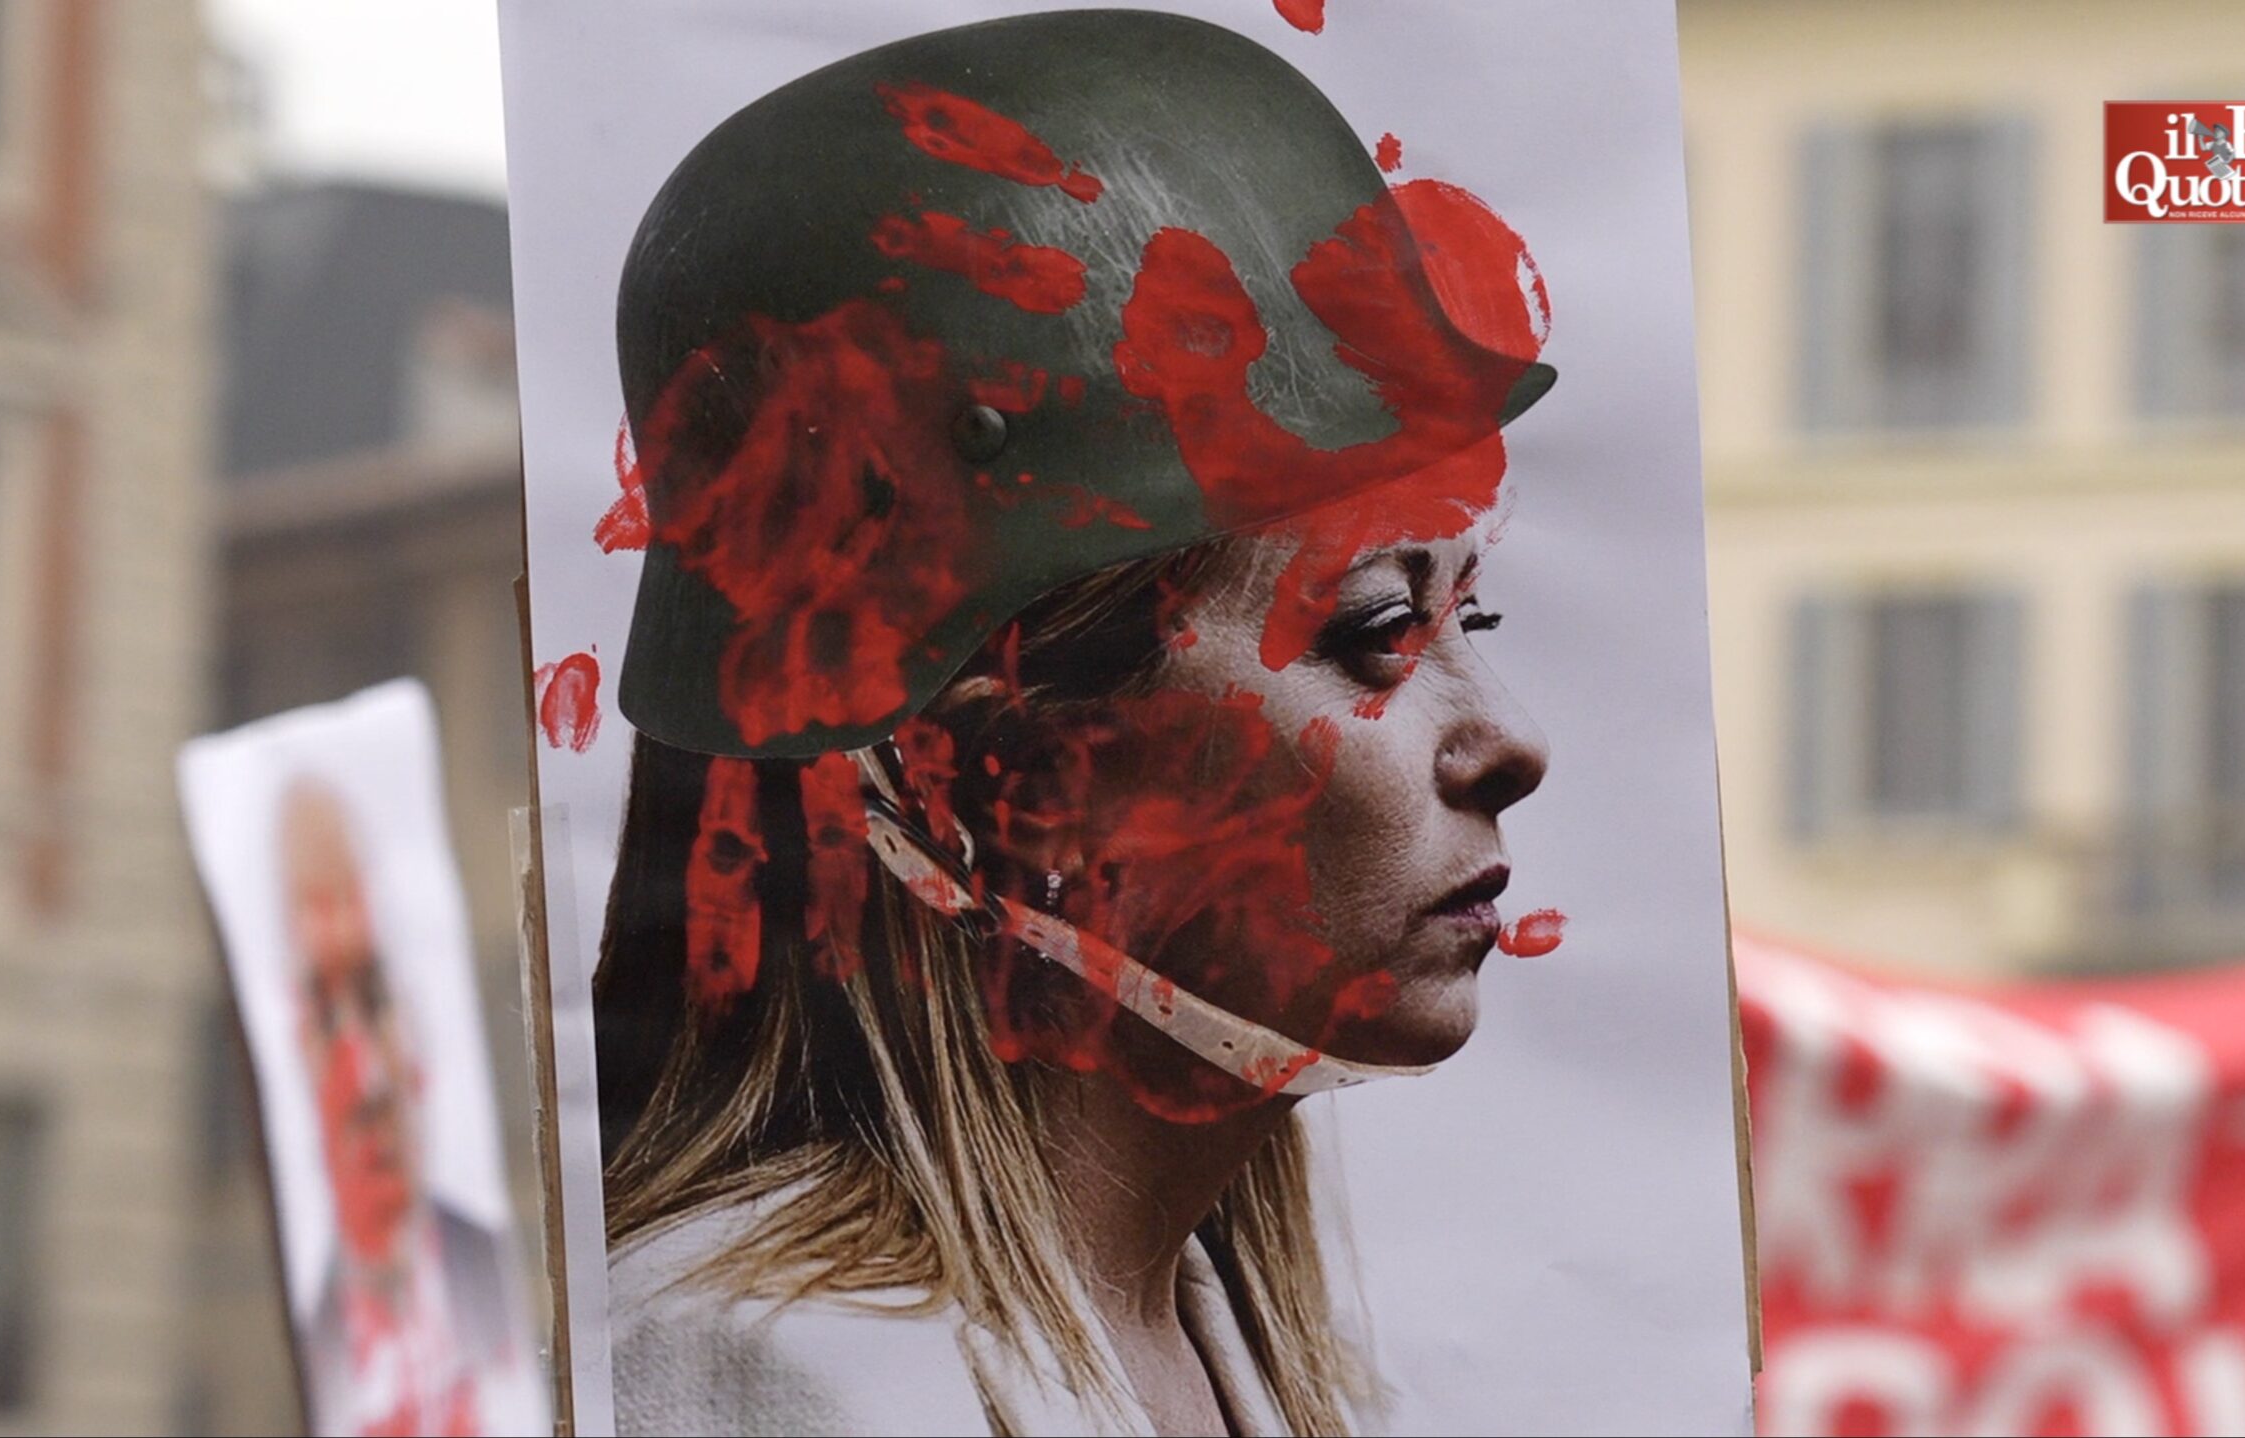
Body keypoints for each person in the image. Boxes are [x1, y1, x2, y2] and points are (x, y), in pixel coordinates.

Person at [593, 11, 1555, 1435]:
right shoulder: (779, 1375)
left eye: (1463, 621)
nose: (1510, 748)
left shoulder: (1289, 1375)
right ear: (996, 779)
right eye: (1372, 633)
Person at [280, 778, 536, 1436]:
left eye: (373, 997)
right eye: (326, 1013)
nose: (364, 1074)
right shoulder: (306, 1336)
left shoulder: (497, 1286)